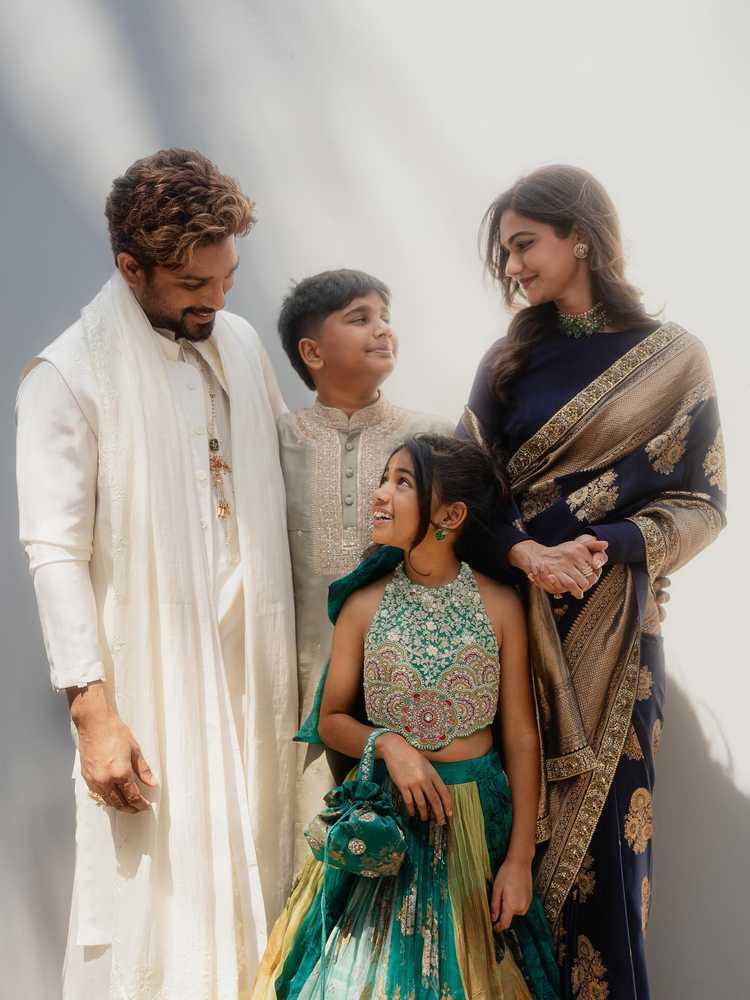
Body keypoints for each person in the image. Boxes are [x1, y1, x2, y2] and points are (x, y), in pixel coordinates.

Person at [16, 149, 298, 998]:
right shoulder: (69, 375)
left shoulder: (238, 343)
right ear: (129, 267)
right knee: (152, 895)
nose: (217, 301)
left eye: (227, 279)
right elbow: (54, 550)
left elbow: (288, 474)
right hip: (156, 687)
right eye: (193, 285)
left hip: (259, 674)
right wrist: (92, 713)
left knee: (270, 865)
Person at [459, 165, 726, 998]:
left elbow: (706, 504)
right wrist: (527, 555)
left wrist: (605, 544)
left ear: (580, 236)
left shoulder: (674, 360)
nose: (512, 267)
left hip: (617, 644)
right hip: (512, 636)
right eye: (505, 254)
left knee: (609, 857)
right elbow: (463, 490)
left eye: (524, 245)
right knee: (503, 850)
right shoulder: (508, 361)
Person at [252, 433, 561, 999]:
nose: (380, 494)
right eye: (382, 479)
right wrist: (390, 745)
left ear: (450, 515)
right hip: (385, 825)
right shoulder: (362, 605)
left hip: (476, 824)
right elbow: (331, 719)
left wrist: (519, 860)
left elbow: (520, 737)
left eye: (402, 482)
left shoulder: (500, 605)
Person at [276, 269, 452, 868]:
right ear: (312, 352)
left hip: (410, 679)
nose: (383, 329)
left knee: (411, 857)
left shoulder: (431, 439)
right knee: (312, 854)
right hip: (302, 683)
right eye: (360, 318)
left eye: (385, 317)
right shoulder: (276, 441)